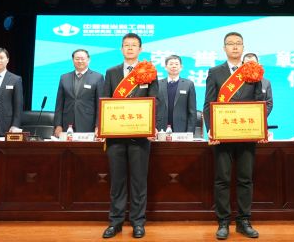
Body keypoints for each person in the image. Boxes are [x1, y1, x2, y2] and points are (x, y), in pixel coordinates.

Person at [203, 32, 265, 240]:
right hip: (223, 135)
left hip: (246, 135)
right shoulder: (215, 72)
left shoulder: (252, 71)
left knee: (245, 179)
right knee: (222, 179)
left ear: (243, 47)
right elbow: (208, 103)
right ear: (224, 48)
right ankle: (223, 222)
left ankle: (244, 221)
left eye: (238, 43)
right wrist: (211, 129)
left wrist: (259, 128)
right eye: (231, 44)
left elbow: (259, 102)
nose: (235, 47)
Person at [101, 33, 159, 239]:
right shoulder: (111, 72)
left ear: (140, 49)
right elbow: (105, 100)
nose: (130, 48)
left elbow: (156, 101)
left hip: (140, 137)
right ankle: (115, 222)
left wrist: (152, 127)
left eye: (134, 45)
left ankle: (138, 222)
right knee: (117, 181)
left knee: (138, 181)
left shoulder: (149, 71)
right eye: (126, 45)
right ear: (121, 48)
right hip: (115, 136)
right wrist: (101, 128)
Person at [53, 49, 104, 136]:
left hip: (88, 123)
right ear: (73, 60)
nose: (80, 61)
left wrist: (98, 126)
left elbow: (100, 104)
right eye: (77, 59)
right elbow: (59, 104)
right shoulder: (64, 77)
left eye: (82, 59)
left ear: (88, 60)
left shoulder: (98, 77)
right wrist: (58, 125)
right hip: (67, 124)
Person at [156, 55, 197, 132]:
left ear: (181, 67)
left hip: (182, 127)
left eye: (176, 64)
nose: (174, 66)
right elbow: (154, 108)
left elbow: (192, 111)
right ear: (165, 67)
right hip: (160, 127)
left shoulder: (188, 84)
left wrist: (190, 132)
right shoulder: (158, 84)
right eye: (171, 64)